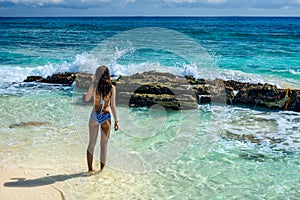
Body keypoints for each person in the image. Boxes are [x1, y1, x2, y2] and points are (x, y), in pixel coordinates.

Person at [83, 66, 119, 173]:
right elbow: (113, 106)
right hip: (106, 117)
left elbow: (87, 99)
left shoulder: (94, 86)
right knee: (103, 145)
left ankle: (90, 169)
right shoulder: (112, 88)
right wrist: (116, 121)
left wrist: (92, 82)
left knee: (91, 143)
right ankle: (101, 170)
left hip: (95, 115)